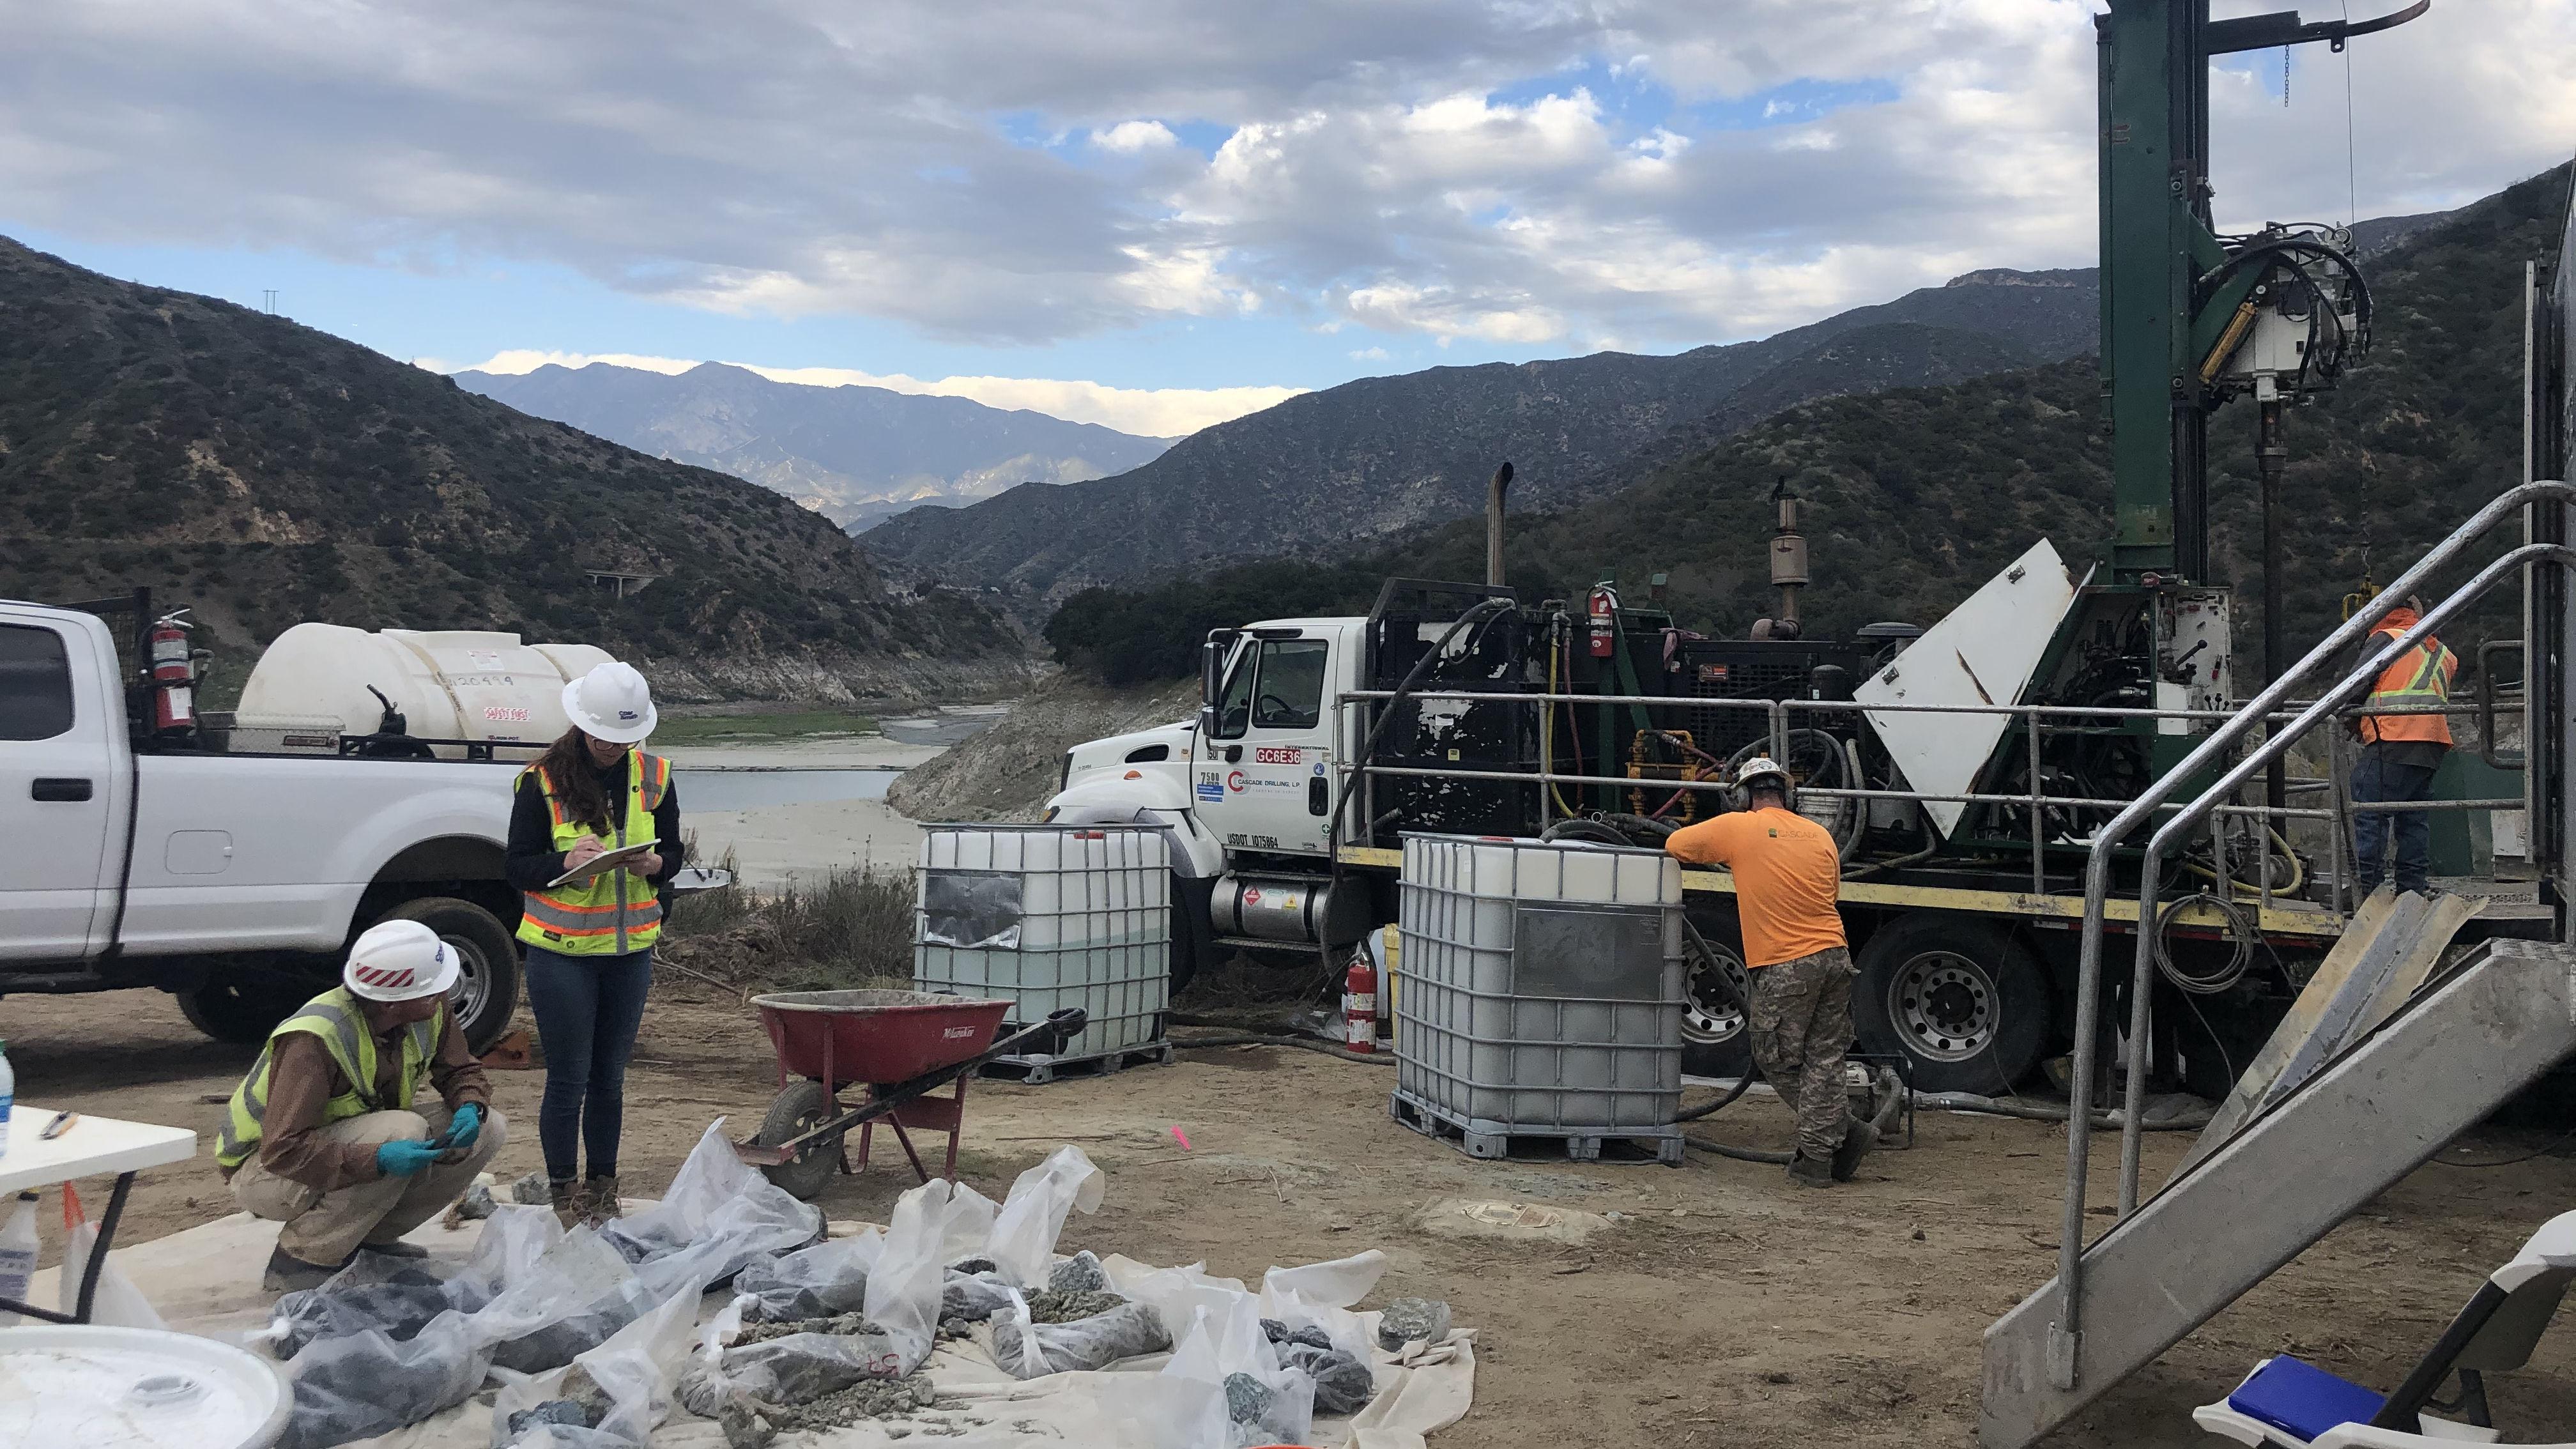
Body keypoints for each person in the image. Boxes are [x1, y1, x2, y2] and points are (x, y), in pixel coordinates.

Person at [218, 919, 506, 1291]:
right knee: (402, 1131)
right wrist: (378, 1159)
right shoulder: (314, 1039)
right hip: (263, 1171)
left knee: (488, 1127)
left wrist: (470, 1104)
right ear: (392, 1001)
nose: (446, 994)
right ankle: (302, 1258)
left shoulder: (427, 1009)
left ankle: (367, 1241)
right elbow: (283, 1150)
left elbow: (460, 1070)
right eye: (433, 990)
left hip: (335, 1142)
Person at [506, 661, 680, 1229]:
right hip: (562, 955)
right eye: (603, 735)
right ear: (582, 724)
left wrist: (659, 864)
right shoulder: (541, 781)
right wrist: (564, 863)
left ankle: (603, 1187)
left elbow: (674, 853)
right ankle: (562, 1191)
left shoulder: (654, 776)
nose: (611, 747)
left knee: (610, 1077)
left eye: (623, 737)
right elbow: (516, 867)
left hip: (628, 954)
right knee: (569, 1078)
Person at [1662, 756, 1873, 1188]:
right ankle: (1822, 1154)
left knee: (1772, 1055)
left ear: (1742, 796)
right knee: (1825, 1057)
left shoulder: (1740, 827)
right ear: (1787, 793)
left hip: (1786, 961)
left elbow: (1677, 845)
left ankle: (1838, 1136)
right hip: (1835, 953)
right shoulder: (1820, 834)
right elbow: (1830, 891)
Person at [2351, 597, 2457, 898]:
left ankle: (2369, 891)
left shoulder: (2387, 639)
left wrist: (2347, 717)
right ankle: (2412, 888)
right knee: (2412, 818)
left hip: (2394, 738)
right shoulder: (2442, 651)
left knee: (2370, 810)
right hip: (2432, 744)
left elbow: (2354, 685)